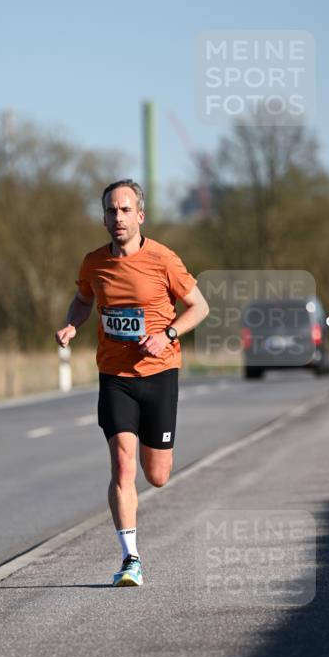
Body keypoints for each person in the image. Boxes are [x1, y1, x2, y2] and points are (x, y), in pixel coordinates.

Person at [55, 179, 209, 587]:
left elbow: (199, 307)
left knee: (156, 474)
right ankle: (130, 558)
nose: (118, 217)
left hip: (160, 374)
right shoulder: (93, 263)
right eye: (111, 211)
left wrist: (167, 334)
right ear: (103, 217)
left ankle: (156, 458)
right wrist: (72, 325)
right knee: (123, 465)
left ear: (140, 215)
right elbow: (84, 299)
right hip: (115, 377)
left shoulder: (163, 259)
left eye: (125, 210)